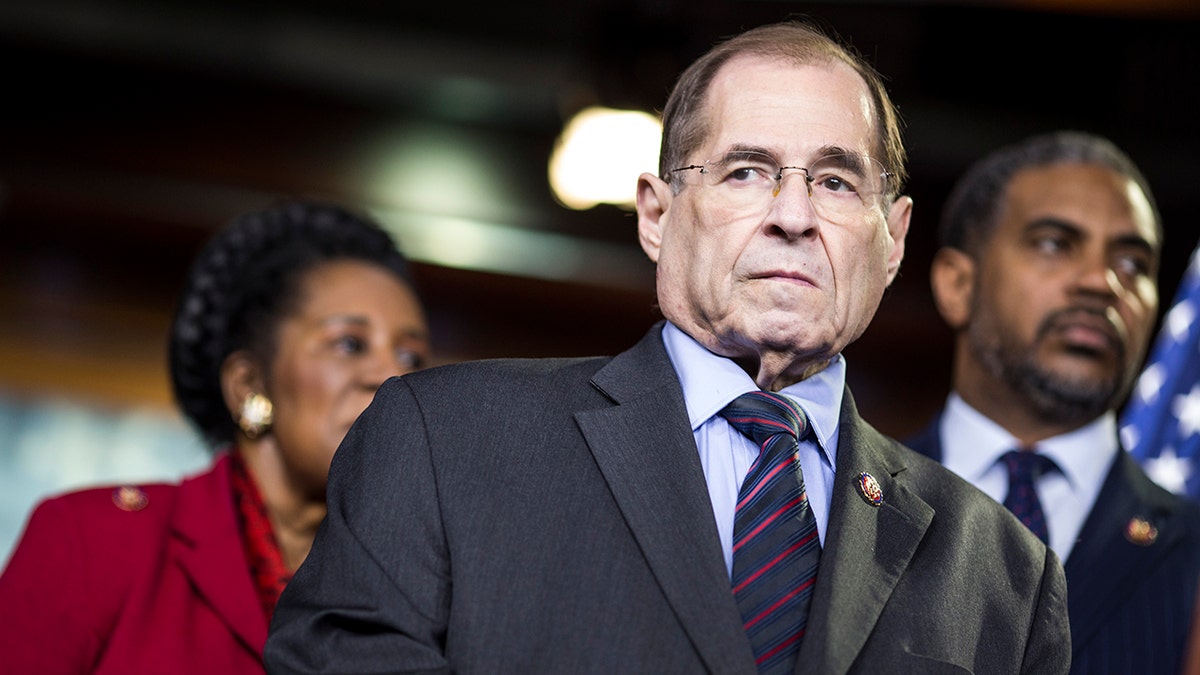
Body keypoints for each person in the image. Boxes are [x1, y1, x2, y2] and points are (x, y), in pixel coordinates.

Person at [265, 21, 1070, 674]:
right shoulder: (443, 440)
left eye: (835, 181)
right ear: (656, 215)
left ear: (892, 241)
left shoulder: (1007, 573)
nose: (794, 215)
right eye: (746, 171)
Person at [0, 200, 433, 672]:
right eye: (350, 344)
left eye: (411, 358)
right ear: (248, 385)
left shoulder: (424, 596)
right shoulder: (90, 541)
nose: (394, 379)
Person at [905, 130, 1200, 674]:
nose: (1101, 281)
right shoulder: (841, 499)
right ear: (957, 285)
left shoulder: (1192, 550)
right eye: (1054, 244)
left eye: (1133, 264)